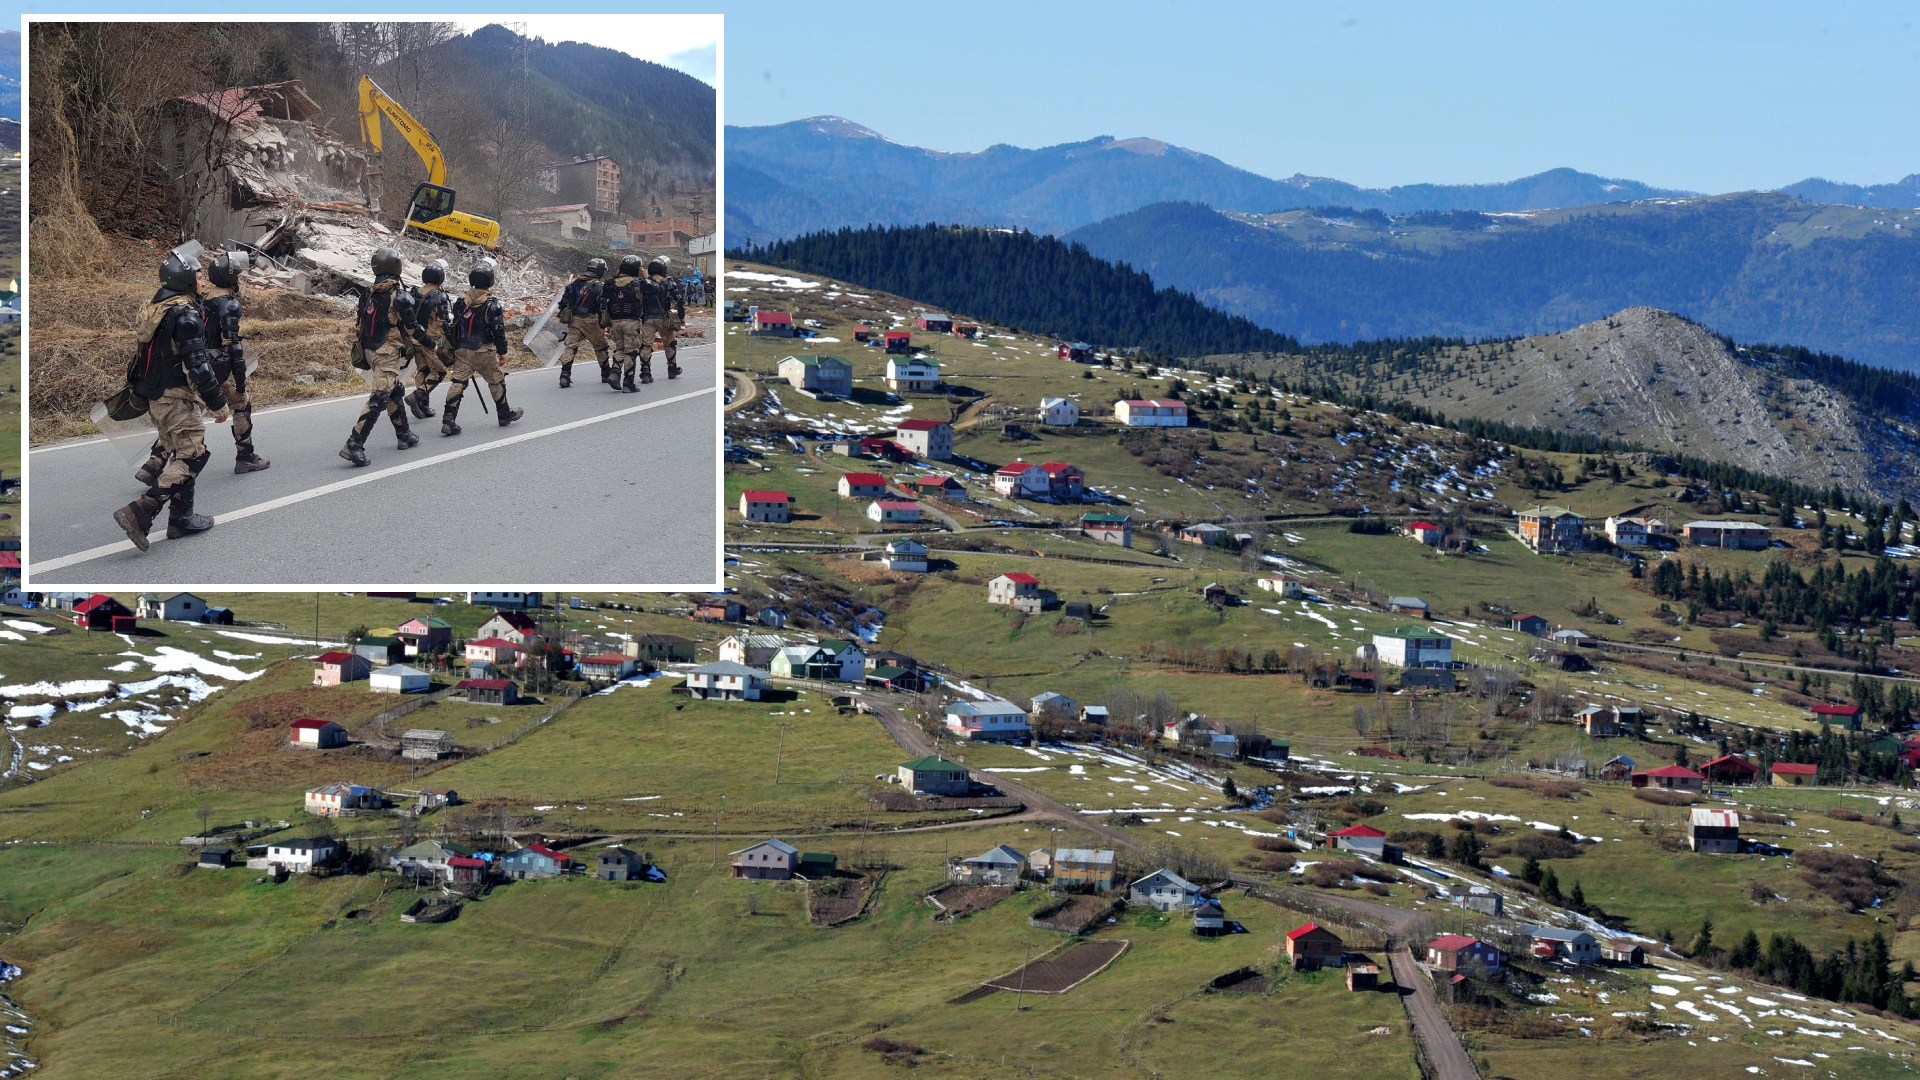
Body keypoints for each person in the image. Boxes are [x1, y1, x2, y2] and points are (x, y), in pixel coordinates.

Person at [112, 250, 231, 551]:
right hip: (177, 399)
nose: (203, 280)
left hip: (156, 396)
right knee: (192, 456)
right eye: (199, 275)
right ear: (185, 279)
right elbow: (198, 368)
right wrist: (218, 403)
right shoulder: (187, 316)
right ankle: (140, 511)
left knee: (181, 452)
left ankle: (182, 519)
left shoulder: (157, 308)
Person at [132, 250, 267, 484]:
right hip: (210, 366)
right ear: (231, 279)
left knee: (178, 420)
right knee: (238, 405)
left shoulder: (201, 299)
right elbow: (233, 347)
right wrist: (241, 383)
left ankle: (153, 464)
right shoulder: (229, 304)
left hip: (179, 369)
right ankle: (246, 455)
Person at [340, 247, 422, 467]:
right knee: (379, 397)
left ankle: (404, 434)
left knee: (394, 390)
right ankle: (354, 443)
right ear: (397, 267)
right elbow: (412, 327)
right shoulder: (399, 296)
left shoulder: (368, 293)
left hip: (369, 350)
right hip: (386, 352)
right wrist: (432, 345)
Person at [440, 261, 524, 435]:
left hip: (462, 350)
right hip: (483, 350)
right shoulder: (492, 304)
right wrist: (502, 352)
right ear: (490, 281)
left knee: (458, 383)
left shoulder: (460, 302)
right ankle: (504, 414)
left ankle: (448, 420)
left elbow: (454, 327)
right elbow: (498, 330)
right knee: (496, 380)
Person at [403, 259, 455, 419]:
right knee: (439, 372)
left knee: (423, 371)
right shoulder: (440, 296)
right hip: (430, 341)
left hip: (414, 339)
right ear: (440, 278)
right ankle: (418, 395)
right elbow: (444, 323)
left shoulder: (413, 292)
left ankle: (423, 405)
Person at [556, 257, 610, 388]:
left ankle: (565, 375)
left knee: (570, 347)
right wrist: (604, 325)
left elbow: (563, 303)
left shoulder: (575, 283)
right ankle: (606, 374)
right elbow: (603, 308)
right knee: (601, 347)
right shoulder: (601, 287)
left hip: (575, 320)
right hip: (592, 321)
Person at [601, 254, 647, 393]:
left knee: (620, 349)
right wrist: (645, 276)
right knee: (631, 351)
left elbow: (603, 302)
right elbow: (655, 289)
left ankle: (614, 373)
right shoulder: (639, 283)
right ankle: (628, 383)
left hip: (615, 322)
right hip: (632, 322)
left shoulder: (610, 283)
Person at [637, 256, 687, 382]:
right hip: (664, 318)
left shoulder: (643, 283)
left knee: (646, 345)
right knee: (670, 344)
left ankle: (645, 372)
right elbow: (679, 300)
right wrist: (681, 317)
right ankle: (672, 369)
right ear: (663, 269)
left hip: (647, 318)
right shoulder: (669, 283)